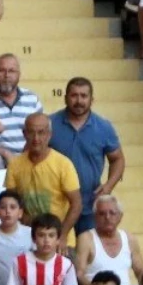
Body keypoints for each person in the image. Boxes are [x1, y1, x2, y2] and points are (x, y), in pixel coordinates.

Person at [49, 77, 125, 247]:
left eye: (84, 96)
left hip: (90, 205)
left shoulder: (103, 127)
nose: (79, 101)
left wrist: (108, 186)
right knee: (57, 256)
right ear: (65, 97)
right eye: (74, 95)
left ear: (92, 99)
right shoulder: (50, 124)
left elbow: (117, 159)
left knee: (89, 255)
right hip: (57, 205)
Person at [5, 113, 82, 242]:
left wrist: (62, 236)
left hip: (60, 238)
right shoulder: (15, 164)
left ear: (49, 135)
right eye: (31, 133)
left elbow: (77, 204)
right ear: (24, 134)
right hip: (27, 238)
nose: (36, 138)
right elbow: (11, 200)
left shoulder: (63, 164)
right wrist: (22, 216)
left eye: (41, 133)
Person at [8, 213, 79, 285]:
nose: (46, 240)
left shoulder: (66, 265)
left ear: (58, 239)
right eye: (41, 235)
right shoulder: (19, 262)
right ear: (33, 238)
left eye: (51, 235)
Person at [74, 194, 143, 285]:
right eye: (102, 214)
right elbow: (79, 274)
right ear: (95, 217)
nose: (107, 217)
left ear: (120, 216)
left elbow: (141, 271)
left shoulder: (129, 239)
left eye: (112, 213)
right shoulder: (86, 238)